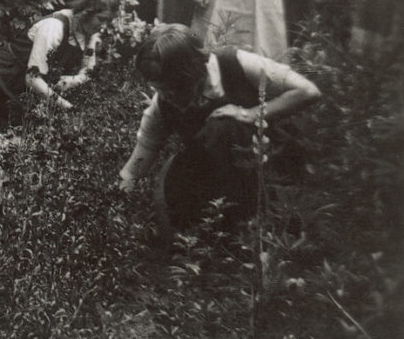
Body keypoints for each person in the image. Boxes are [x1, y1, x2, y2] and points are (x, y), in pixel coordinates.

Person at [118, 24, 320, 230]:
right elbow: (139, 161)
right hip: (217, 179)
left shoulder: (235, 63)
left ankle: (263, 224)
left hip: (268, 165)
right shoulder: (161, 105)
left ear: (194, 72)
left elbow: (307, 91)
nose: (167, 95)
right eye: (159, 89)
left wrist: (250, 114)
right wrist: (118, 202)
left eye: (173, 87)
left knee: (224, 127)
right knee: (176, 174)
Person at [0, 0, 120, 160]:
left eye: (107, 21)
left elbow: (87, 72)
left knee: (16, 139)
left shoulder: (88, 34)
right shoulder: (54, 27)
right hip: (4, 74)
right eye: (101, 19)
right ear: (86, 11)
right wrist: (66, 106)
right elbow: (33, 79)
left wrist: (71, 81)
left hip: (29, 85)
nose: (103, 26)